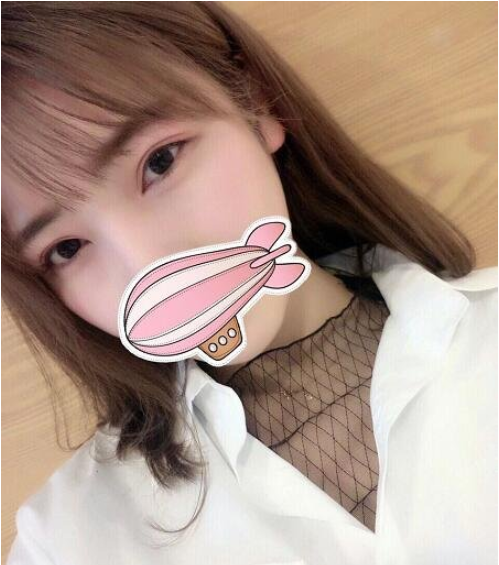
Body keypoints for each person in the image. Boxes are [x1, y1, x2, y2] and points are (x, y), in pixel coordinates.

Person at [2, 3, 497, 564]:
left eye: (160, 162)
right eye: (67, 249)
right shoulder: (67, 539)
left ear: (257, 104)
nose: (148, 265)